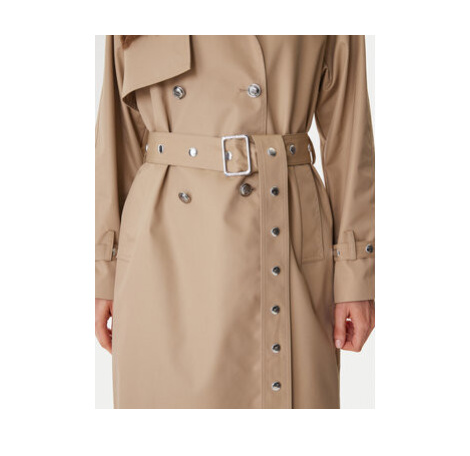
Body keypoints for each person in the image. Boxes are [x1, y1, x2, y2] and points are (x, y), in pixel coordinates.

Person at [95, 35, 375, 409]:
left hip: (281, 231)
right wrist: (104, 268)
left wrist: (356, 271)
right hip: (160, 250)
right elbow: (118, 132)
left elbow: (349, 132)